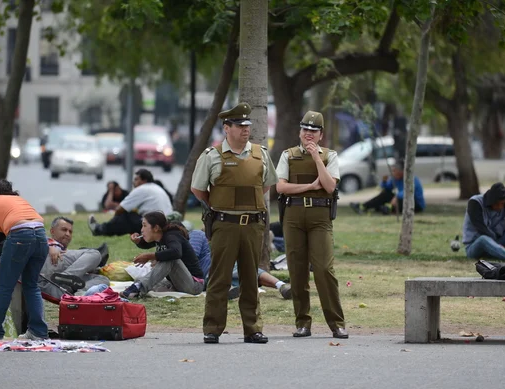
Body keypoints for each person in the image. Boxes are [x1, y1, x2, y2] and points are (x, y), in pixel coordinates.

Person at [191, 102, 278, 344]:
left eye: (247, 125)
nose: (245, 129)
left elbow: (266, 186)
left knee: (251, 278)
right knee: (220, 278)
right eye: (239, 125)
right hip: (225, 225)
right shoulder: (212, 156)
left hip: (253, 225)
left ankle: (253, 329)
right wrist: (220, 206)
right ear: (226, 128)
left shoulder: (261, 154)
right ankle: (213, 328)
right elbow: (198, 189)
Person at [276, 110, 349, 339]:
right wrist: (309, 187)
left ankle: (336, 323)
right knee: (297, 270)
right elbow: (281, 187)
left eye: (313, 131)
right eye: (305, 130)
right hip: (294, 216)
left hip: (320, 217)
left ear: (320, 135)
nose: (308, 134)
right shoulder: (288, 155)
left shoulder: (330, 156)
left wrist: (316, 158)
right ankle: (302, 322)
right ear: (299, 131)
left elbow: (329, 187)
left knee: (324, 269)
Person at [0, 179, 48, 341]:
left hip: (20, 236)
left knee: (4, 286)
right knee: (32, 285)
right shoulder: (18, 200)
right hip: (41, 236)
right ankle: (38, 332)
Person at [120, 212, 205, 298]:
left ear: (156, 228)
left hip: (194, 285)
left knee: (171, 259)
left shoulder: (172, 235)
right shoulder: (160, 238)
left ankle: (138, 289)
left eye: (144, 226)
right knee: (141, 280)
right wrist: (138, 242)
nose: (142, 230)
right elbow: (147, 244)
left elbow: (176, 252)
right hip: (176, 282)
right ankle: (138, 286)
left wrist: (149, 256)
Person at [40, 216, 110, 299]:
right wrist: (48, 246)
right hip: (48, 265)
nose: (67, 234)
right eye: (64, 230)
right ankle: (65, 277)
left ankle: (78, 295)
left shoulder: (65, 251)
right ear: (52, 231)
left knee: (103, 280)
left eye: (70, 232)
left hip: (55, 288)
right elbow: (32, 233)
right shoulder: (47, 243)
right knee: (95, 253)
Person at [88, 169, 173, 236]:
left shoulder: (141, 189)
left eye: (136, 179)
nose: (133, 182)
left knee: (125, 216)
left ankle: (99, 229)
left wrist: (116, 219)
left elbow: (119, 210)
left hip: (154, 225)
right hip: (166, 223)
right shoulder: (156, 187)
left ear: (144, 180)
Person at [349, 160, 426, 215]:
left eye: (394, 171)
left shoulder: (411, 179)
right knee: (386, 193)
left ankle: (386, 209)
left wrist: (397, 197)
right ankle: (363, 207)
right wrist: (384, 181)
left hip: (415, 204)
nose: (392, 173)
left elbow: (408, 192)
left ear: (401, 171)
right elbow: (387, 187)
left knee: (401, 198)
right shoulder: (395, 179)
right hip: (400, 200)